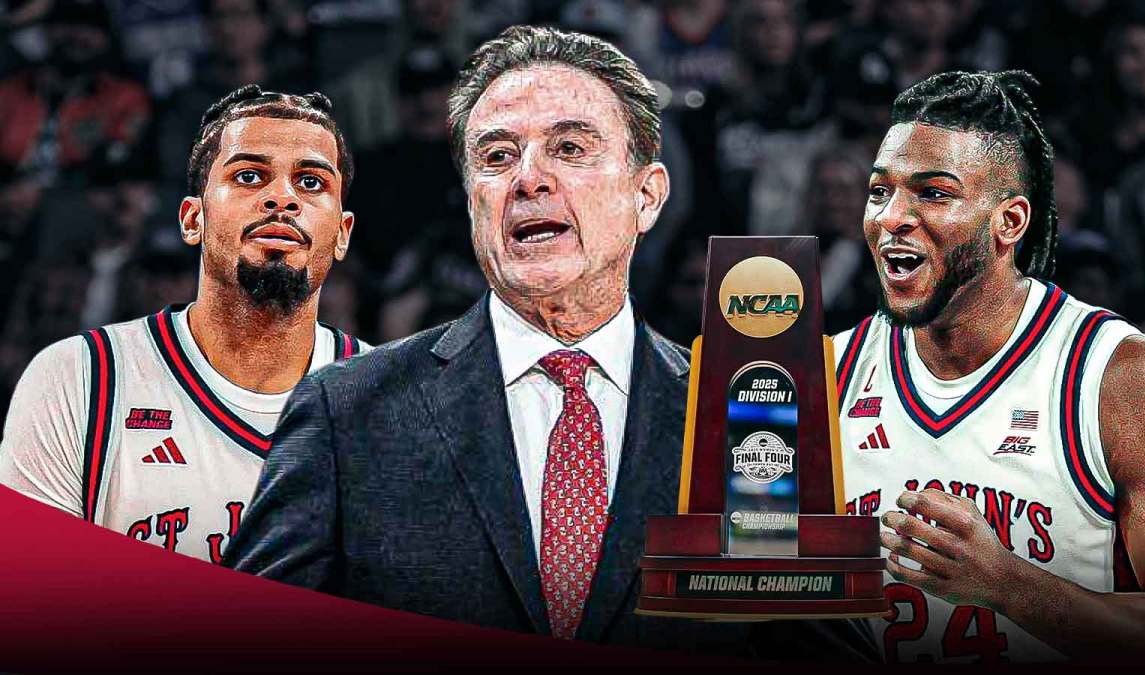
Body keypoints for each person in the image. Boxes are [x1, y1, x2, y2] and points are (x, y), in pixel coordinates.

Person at [223, 26, 874, 660]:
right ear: (472, 202)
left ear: (647, 196)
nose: (529, 179)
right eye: (498, 156)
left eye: (569, 148)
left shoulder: (748, 418)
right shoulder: (348, 412)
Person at [834, 70, 1145, 663]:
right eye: (880, 191)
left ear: (1010, 222)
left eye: (933, 193)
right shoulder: (830, 374)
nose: (891, 217)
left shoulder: (1124, 380)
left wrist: (1011, 586)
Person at [0, 85, 366, 562]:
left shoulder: (396, 399)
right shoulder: (81, 378)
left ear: (342, 233)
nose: (282, 197)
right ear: (193, 219)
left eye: (311, 183)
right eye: (251, 175)